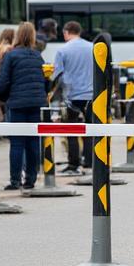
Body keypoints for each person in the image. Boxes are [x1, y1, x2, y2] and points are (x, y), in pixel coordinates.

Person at [0, 22, 46, 190]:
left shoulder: (11, 56)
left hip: (17, 103)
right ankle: (31, 179)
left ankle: (15, 180)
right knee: (33, 141)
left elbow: (3, 82)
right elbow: (45, 80)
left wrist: (5, 98)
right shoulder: (37, 56)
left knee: (17, 143)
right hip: (36, 103)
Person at [51, 20, 93, 174]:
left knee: (72, 131)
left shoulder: (62, 50)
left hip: (71, 96)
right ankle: (89, 162)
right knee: (91, 130)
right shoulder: (92, 47)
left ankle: (74, 164)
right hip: (91, 95)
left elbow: (57, 75)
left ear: (66, 32)